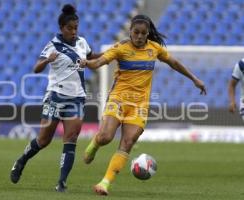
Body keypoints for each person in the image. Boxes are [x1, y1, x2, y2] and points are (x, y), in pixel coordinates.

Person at [80, 14, 207, 196]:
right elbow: (100, 61)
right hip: (119, 99)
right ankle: (95, 144)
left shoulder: (154, 48)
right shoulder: (121, 48)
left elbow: (174, 63)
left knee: (128, 141)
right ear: (130, 32)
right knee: (106, 137)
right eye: (136, 32)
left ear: (148, 34)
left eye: (143, 33)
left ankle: (105, 182)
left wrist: (194, 79)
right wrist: (87, 63)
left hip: (140, 104)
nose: (139, 36)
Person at [10, 4, 101, 192]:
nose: (74, 32)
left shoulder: (83, 42)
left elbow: (93, 58)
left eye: (76, 28)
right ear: (61, 28)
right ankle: (21, 161)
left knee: (71, 139)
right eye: (70, 28)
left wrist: (112, 54)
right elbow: (36, 68)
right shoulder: (53, 45)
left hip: (77, 98)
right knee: (44, 140)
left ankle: (61, 182)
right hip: (56, 97)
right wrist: (47, 60)